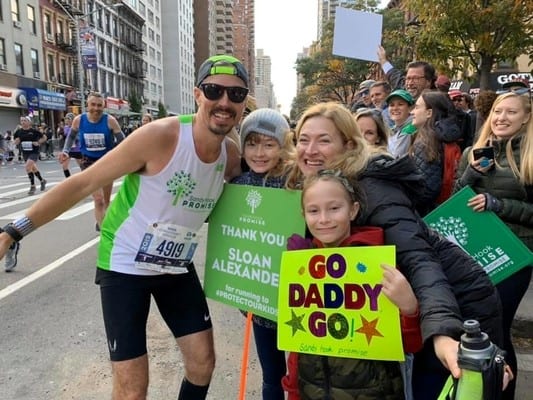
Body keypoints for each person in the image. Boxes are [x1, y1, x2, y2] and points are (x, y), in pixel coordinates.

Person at [0, 54, 246, 399]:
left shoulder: (230, 157)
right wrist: (14, 231)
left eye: (235, 95)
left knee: (203, 363)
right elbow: (81, 185)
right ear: (197, 94)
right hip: (126, 262)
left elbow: (253, 208)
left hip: (174, 265)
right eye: (214, 90)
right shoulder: (161, 136)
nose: (224, 101)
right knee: (132, 388)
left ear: (243, 103)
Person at [284, 102, 504, 400]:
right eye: (303, 140)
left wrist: (443, 333)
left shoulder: (371, 187)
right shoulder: (320, 184)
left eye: (323, 140)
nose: (310, 149)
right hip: (409, 309)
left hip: (456, 302)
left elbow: (418, 260)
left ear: (348, 145)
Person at [282, 169, 422, 400]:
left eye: (334, 208)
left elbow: (410, 345)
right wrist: (294, 390)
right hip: (312, 390)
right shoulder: (301, 263)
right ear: (303, 214)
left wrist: (409, 309)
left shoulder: (377, 263)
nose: (324, 219)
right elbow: (299, 339)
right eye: (313, 211)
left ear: (353, 210)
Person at [454, 91, 532, 400]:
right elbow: (455, 199)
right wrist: (473, 172)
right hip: (474, 254)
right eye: (498, 111)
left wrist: (498, 204)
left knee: (497, 328)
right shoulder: (473, 152)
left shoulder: (528, 155)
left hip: (513, 256)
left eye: (511, 112)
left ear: (526, 117)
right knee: (477, 329)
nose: (501, 118)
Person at [231, 108, 293, 400]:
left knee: (302, 374)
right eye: (252, 143)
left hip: (299, 301)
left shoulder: (297, 183)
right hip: (260, 304)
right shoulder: (238, 187)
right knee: (272, 376)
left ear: (283, 146)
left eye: (269, 144)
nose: (259, 152)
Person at [58, 92, 125, 231]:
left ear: (104, 106)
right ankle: (103, 231)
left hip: (106, 162)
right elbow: (70, 137)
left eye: (99, 105)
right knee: (98, 199)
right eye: (93, 105)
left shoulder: (110, 120)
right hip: (88, 163)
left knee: (106, 201)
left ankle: (101, 220)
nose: (96, 108)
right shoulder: (79, 120)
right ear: (87, 105)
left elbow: (123, 141)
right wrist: (65, 151)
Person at [410, 90, 459, 215]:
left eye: (416, 107)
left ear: (429, 113)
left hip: (427, 212)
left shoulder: (425, 142)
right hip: (446, 205)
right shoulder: (446, 137)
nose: (412, 112)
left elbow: (427, 188)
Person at [14, 116, 48, 195]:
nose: (23, 122)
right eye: (21, 121)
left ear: (29, 122)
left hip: (34, 152)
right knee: (33, 168)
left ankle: (33, 186)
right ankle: (42, 181)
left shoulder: (34, 131)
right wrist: (16, 141)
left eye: (24, 121)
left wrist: (38, 142)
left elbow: (44, 137)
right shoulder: (19, 131)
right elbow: (15, 140)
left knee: (28, 167)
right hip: (25, 152)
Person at [385, 89, 416, 157]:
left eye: (400, 104)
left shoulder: (411, 127)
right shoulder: (392, 129)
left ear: (410, 108)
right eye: (392, 105)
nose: (395, 108)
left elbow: (397, 155)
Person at [60, 113, 82, 178]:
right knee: (64, 166)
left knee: (82, 166)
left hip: (77, 149)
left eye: (68, 119)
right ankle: (68, 180)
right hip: (68, 150)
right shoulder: (65, 128)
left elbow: (79, 137)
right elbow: (65, 138)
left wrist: (75, 139)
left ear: (72, 120)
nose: (67, 120)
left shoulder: (77, 127)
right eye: (66, 119)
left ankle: (85, 179)